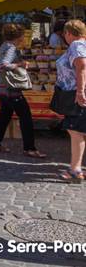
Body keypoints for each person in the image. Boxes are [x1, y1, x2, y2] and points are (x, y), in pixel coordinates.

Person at [0, 24, 46, 158]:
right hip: (10, 90)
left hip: (1, 88)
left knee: (4, 115)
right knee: (26, 117)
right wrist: (21, 64)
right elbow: (3, 65)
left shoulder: (4, 45)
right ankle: (29, 148)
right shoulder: (11, 48)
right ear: (18, 36)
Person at [55, 20, 86, 182]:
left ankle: (75, 170)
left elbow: (81, 65)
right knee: (79, 131)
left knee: (76, 131)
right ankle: (76, 168)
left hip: (76, 93)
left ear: (68, 33)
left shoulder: (76, 45)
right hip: (76, 92)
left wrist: (80, 92)